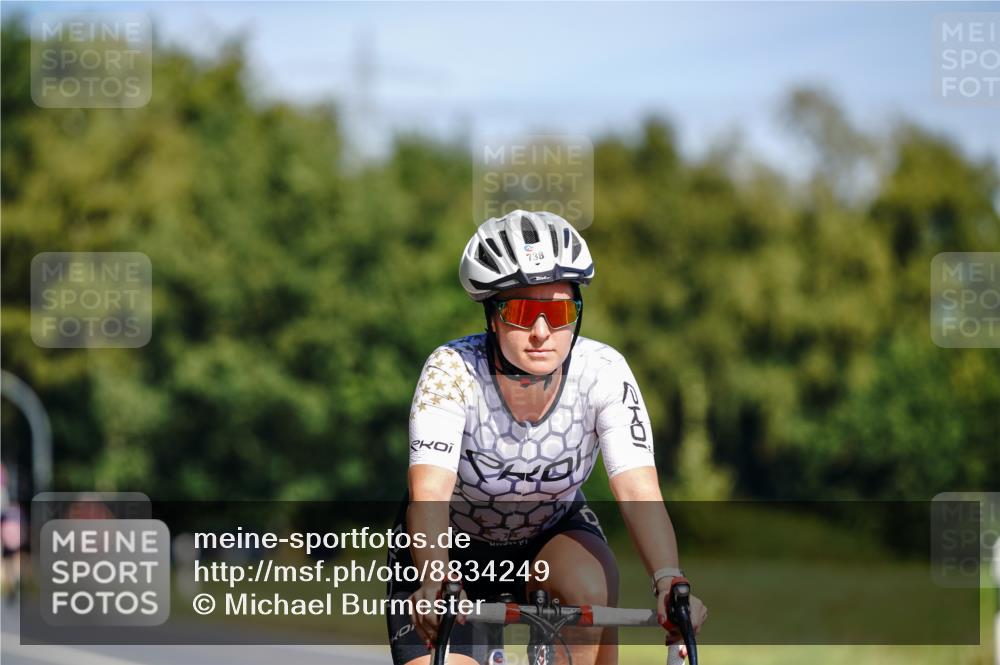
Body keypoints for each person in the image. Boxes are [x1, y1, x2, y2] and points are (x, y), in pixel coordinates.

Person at [385, 210, 707, 665]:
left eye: (558, 312)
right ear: (493, 317)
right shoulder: (452, 371)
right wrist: (434, 579)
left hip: (550, 536)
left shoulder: (603, 372)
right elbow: (430, 492)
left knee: (588, 588)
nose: (541, 333)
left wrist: (668, 579)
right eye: (521, 313)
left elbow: (638, 489)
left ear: (578, 313)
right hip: (449, 545)